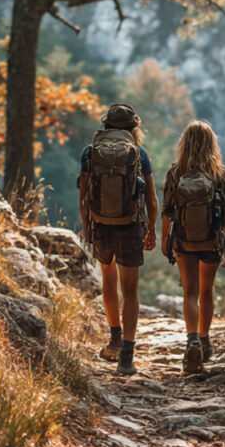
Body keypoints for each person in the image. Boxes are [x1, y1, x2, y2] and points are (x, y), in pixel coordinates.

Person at [77, 103, 157, 375]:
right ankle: (127, 356)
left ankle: (114, 338)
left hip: (101, 224)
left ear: (106, 125)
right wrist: (153, 229)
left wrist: (87, 225)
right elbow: (152, 199)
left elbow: (83, 195)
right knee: (131, 290)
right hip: (130, 224)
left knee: (108, 281)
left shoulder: (90, 152)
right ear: (134, 127)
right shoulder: (139, 153)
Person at [161, 121, 225, 374]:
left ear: (185, 143)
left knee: (189, 293)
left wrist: (164, 241)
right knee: (206, 292)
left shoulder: (175, 172)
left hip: (183, 239)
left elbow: (167, 211)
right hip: (212, 240)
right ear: (211, 144)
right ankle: (204, 340)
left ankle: (191, 339)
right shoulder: (219, 173)